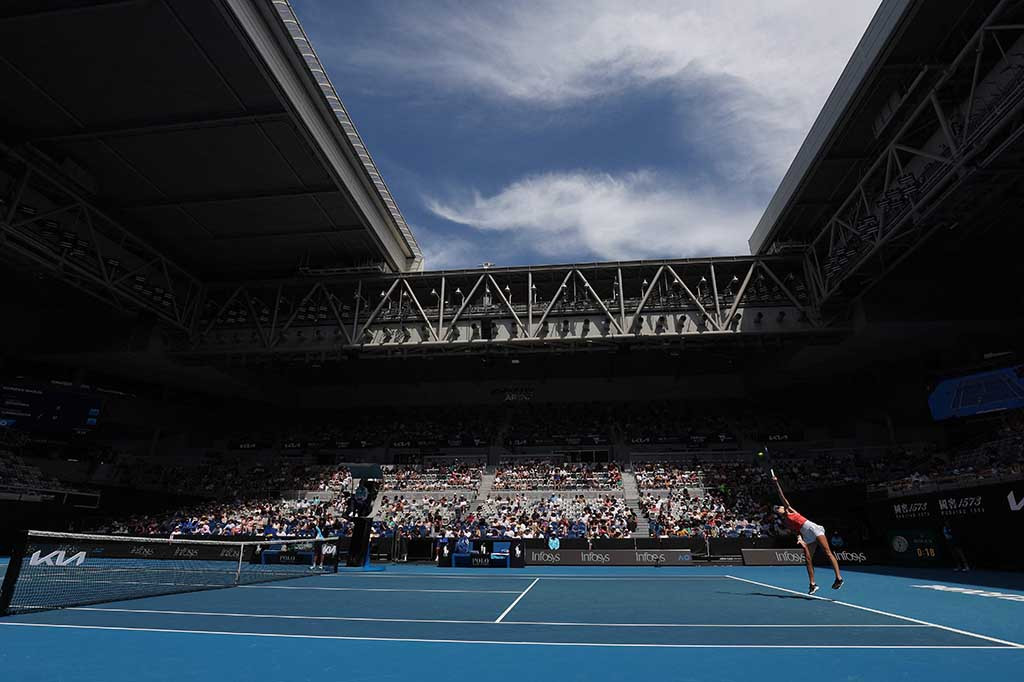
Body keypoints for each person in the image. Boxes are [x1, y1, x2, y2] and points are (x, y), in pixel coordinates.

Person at [771, 471, 843, 594]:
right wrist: (800, 539)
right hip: (806, 535)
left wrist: (776, 482)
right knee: (808, 559)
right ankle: (812, 584)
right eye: (777, 508)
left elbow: (780, 494)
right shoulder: (785, 522)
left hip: (812, 528)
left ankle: (838, 578)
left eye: (779, 506)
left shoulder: (789, 509)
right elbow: (796, 531)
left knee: (827, 552)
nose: (779, 508)